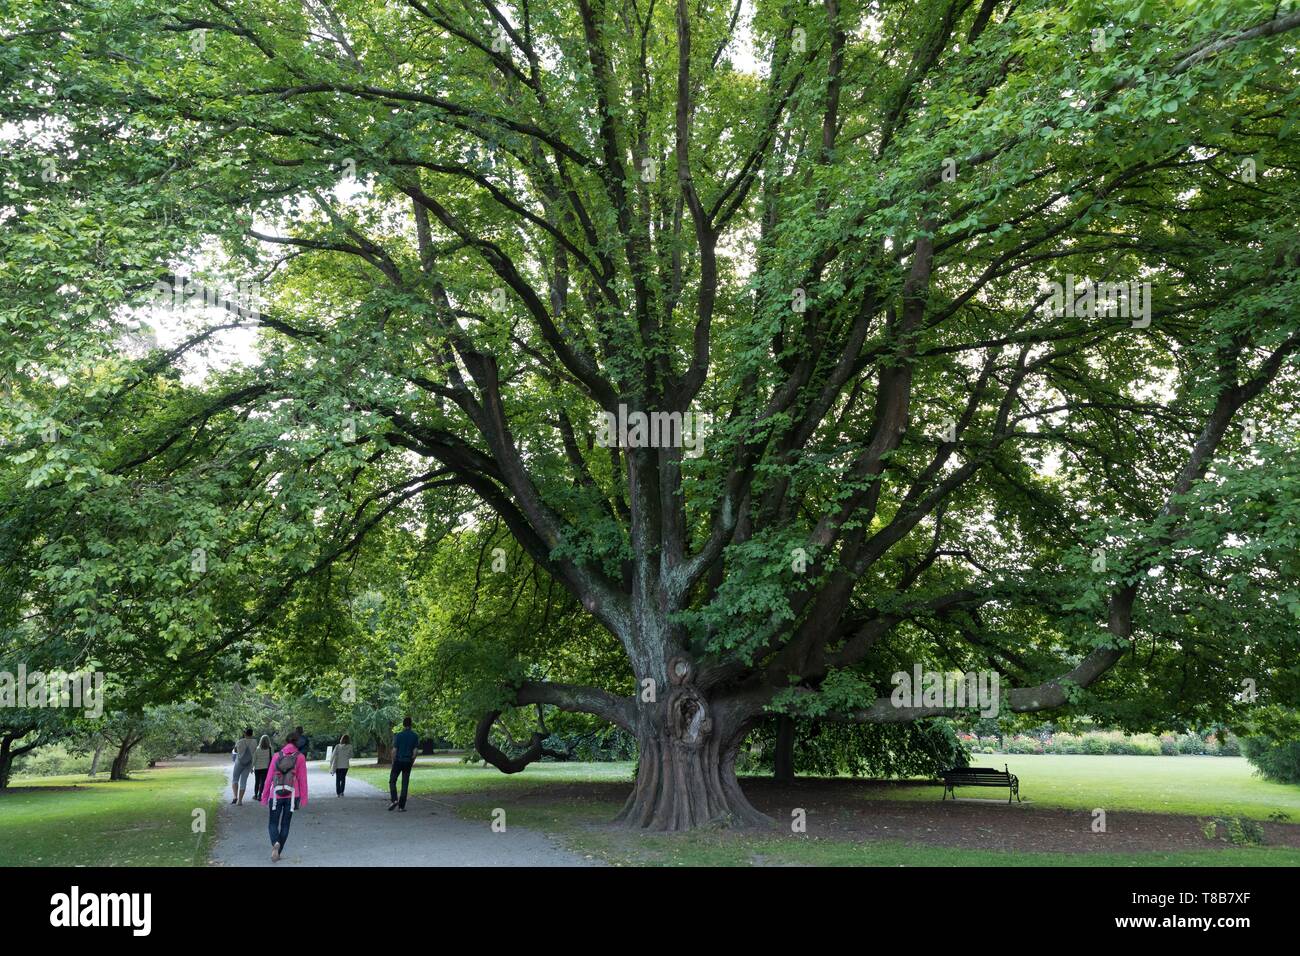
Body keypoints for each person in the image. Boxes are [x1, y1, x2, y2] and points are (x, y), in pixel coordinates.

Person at [260, 732, 308, 863]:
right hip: (292, 795)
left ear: (286, 742)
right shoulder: (301, 757)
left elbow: (269, 778)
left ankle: (275, 842)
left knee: (272, 823)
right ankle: (278, 852)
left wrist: (264, 797)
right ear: (298, 743)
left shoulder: (277, 756)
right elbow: (302, 779)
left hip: (275, 795)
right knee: (285, 824)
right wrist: (304, 798)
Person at [388, 717, 419, 812]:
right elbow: (415, 751)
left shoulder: (399, 735)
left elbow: (394, 750)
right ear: (411, 724)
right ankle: (401, 806)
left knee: (392, 781)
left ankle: (394, 800)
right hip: (407, 761)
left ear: (403, 724)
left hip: (398, 760)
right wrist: (412, 761)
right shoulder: (415, 736)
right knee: (405, 783)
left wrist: (393, 761)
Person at [230, 728, 255, 805]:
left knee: (235, 779)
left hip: (239, 762)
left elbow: (236, 751)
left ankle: (235, 797)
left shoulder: (240, 741)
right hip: (248, 763)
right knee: (243, 782)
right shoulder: (255, 742)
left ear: (245, 733)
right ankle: (240, 801)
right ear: (252, 734)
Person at [252, 734, 272, 801]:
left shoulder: (257, 749)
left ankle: (255, 795)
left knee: (257, 782)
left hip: (257, 768)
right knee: (263, 782)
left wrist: (251, 767)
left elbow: (254, 759)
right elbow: (273, 758)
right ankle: (260, 795)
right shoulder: (270, 749)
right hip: (265, 768)